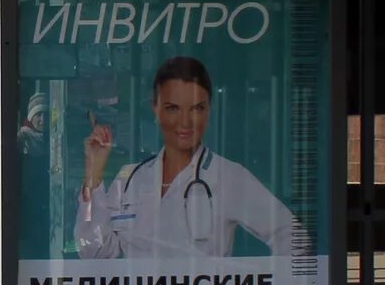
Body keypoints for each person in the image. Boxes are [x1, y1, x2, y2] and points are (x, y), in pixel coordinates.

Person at [74, 54, 310, 260]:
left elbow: (294, 240)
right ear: (155, 109)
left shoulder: (228, 176)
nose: (185, 122)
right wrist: (94, 171)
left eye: (197, 108)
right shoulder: (129, 178)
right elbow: (94, 252)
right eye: (173, 108)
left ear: (209, 110)